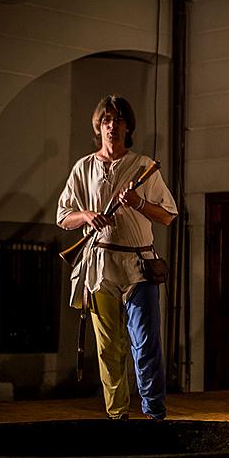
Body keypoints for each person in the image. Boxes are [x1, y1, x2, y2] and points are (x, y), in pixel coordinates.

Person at [57, 95, 177, 420]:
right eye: (107, 120)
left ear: (128, 126)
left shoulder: (143, 165)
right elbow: (63, 216)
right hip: (99, 269)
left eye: (119, 120)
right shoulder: (84, 167)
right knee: (108, 348)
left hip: (139, 268)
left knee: (146, 344)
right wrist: (86, 216)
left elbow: (167, 215)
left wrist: (138, 203)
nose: (113, 126)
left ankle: (154, 415)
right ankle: (118, 417)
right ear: (99, 126)